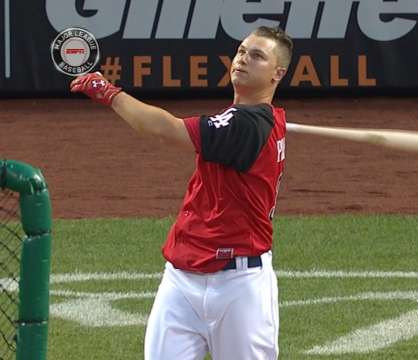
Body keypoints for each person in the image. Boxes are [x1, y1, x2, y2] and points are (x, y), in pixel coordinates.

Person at [70, 26, 293, 360]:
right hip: (182, 277)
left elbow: (162, 128)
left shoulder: (247, 125)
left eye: (257, 55)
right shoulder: (266, 119)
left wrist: (107, 91)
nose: (243, 59)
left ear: (278, 73)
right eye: (242, 51)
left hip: (239, 286)